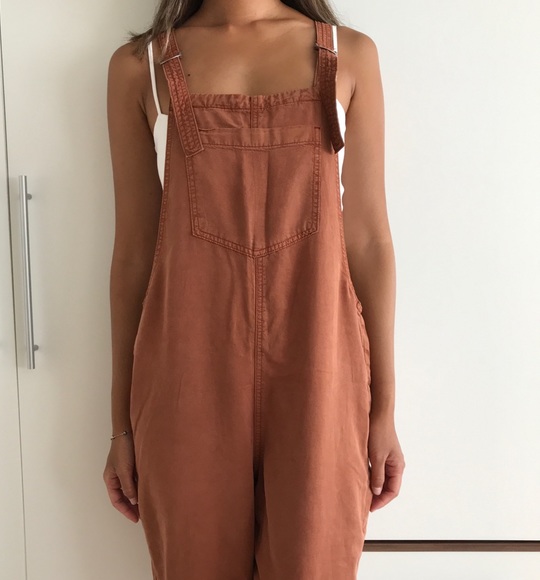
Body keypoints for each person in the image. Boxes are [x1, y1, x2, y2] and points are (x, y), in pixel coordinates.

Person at [103, 1, 405, 578]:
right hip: (185, 379)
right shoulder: (139, 66)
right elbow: (133, 256)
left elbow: (370, 242)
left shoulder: (350, 55)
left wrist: (384, 410)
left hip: (322, 372)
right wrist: (121, 425)